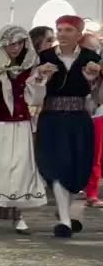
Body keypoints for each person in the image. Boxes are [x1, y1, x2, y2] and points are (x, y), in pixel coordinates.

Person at [0, 25, 49, 233]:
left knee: (21, 170)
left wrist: (40, 81)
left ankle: (18, 215)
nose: (15, 48)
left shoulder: (30, 66)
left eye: (19, 43)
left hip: (21, 125)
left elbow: (35, 97)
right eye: (11, 43)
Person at [35, 14, 102, 237]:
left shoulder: (91, 58)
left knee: (76, 167)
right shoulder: (43, 57)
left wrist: (92, 79)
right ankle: (64, 219)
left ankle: (66, 211)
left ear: (79, 34)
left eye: (68, 30)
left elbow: (97, 97)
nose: (62, 34)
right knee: (57, 166)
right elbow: (34, 94)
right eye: (59, 29)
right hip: (52, 118)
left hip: (79, 119)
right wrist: (41, 78)